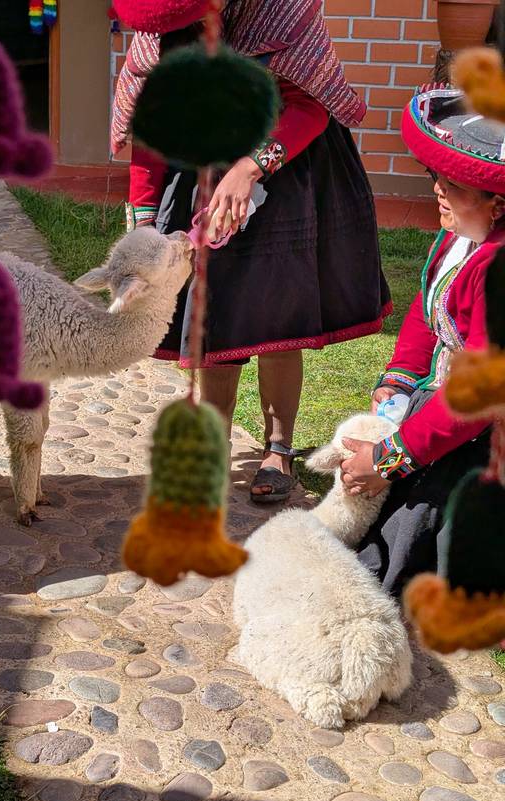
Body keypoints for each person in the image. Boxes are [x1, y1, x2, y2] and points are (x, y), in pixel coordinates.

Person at [111, 0, 390, 503]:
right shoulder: (160, 33)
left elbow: (310, 106)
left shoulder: (283, 12)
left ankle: (277, 449)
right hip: (200, 170)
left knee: (279, 312)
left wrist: (249, 168)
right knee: (211, 307)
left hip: (287, 166)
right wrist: (145, 223)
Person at [344, 86, 505, 596]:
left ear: (495, 202)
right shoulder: (460, 237)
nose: (437, 187)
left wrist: (391, 458)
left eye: (454, 183)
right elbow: (427, 307)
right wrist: (400, 377)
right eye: (437, 175)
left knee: (419, 513)